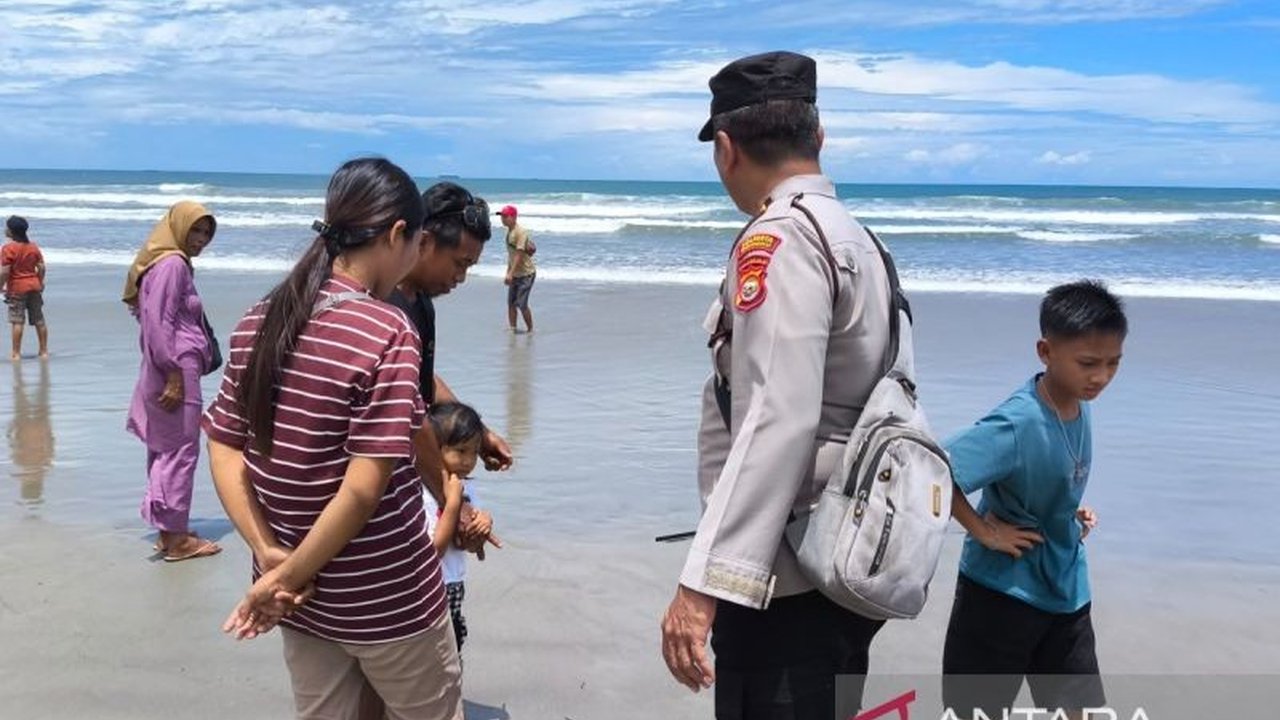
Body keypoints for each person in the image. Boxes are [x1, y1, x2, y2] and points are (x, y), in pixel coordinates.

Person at [660, 51, 896, 719]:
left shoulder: (782, 240)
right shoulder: (859, 240)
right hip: (844, 557)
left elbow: (776, 419)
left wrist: (706, 584)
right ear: (818, 138)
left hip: (788, 578)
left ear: (725, 149)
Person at [204, 157, 463, 719]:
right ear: (398, 234)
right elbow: (362, 490)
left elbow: (223, 448)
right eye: (417, 242)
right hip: (388, 597)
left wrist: (271, 558)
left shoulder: (260, 317)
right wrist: (283, 575)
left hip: (295, 598)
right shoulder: (388, 328)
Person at [941, 280, 1127, 717]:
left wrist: (1064, 508)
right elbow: (931, 471)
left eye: (1113, 363)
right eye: (1088, 363)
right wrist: (985, 531)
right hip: (1001, 596)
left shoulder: (1079, 402)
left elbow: (1048, 469)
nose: (1100, 377)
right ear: (1045, 352)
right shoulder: (1016, 423)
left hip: (1067, 592)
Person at [386, 182, 512, 555]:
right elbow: (407, 415)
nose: (462, 276)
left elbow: (423, 379)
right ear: (424, 242)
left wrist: (479, 433)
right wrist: (454, 504)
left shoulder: (421, 303)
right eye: (460, 263)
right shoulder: (385, 308)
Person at [124, 201, 221, 562]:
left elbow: (150, 319)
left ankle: (171, 529)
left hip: (164, 363)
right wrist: (175, 372)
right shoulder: (173, 265)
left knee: (166, 445)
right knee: (182, 447)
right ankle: (178, 541)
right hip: (176, 366)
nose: (201, 239)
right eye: (195, 230)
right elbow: (158, 321)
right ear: (177, 227)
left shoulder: (159, 263)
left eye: (206, 233)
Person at [424, 401, 493, 655]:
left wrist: (481, 527)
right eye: (460, 451)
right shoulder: (421, 492)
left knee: (453, 644)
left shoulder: (468, 488)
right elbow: (433, 552)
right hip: (428, 586)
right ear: (434, 449)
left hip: (453, 582)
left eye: (474, 452)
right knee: (431, 650)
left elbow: (466, 544)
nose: (468, 461)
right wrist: (453, 504)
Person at [1, 215, 49, 361]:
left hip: (17, 288)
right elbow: (41, 267)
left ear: (11, 231)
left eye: (7, 227)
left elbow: (4, 272)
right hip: (34, 286)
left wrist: (1, 286)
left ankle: (16, 353)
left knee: (17, 321)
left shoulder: (8, 248)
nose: (5, 229)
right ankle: (43, 351)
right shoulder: (33, 247)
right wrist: (40, 281)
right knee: (39, 319)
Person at [497, 205, 535, 333]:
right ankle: (513, 328)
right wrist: (508, 272)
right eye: (502, 216)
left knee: (521, 304)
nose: (502, 219)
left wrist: (510, 274)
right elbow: (511, 255)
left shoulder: (520, 232)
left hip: (526, 274)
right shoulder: (509, 232)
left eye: (505, 216)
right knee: (511, 303)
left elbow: (518, 255)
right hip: (515, 273)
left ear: (513, 217)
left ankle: (530, 330)